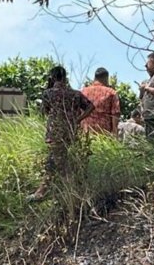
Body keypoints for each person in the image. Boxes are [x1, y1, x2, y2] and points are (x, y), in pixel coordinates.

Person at [30, 65, 94, 201]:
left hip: (55, 131)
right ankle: (42, 191)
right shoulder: (75, 94)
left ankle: (71, 193)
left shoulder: (48, 93)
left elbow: (43, 112)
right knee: (55, 160)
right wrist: (77, 119)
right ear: (65, 78)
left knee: (60, 162)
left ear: (52, 77)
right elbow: (90, 106)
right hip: (71, 131)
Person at [80, 67, 121, 136]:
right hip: (103, 134)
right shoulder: (111, 92)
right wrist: (115, 132)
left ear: (94, 78)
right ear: (106, 78)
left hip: (86, 132)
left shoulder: (83, 91)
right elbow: (115, 113)